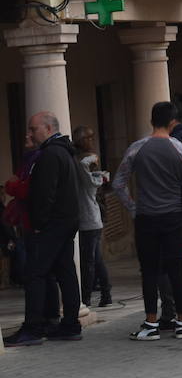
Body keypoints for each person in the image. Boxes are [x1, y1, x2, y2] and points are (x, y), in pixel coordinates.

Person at [112, 101, 182, 341]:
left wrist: (133, 208)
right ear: (173, 122)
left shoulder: (136, 149)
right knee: (175, 271)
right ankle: (181, 322)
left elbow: (118, 183)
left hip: (146, 218)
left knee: (149, 271)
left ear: (152, 121)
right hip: (173, 218)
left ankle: (151, 323)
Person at [2, 113, 83, 346]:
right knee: (65, 271)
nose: (29, 133)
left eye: (33, 129)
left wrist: (38, 224)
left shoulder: (50, 154)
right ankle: (70, 324)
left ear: (47, 128)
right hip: (66, 222)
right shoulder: (63, 151)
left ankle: (33, 328)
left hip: (53, 224)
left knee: (35, 274)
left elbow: (44, 194)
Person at [72, 127, 112, 308]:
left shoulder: (83, 164)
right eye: (88, 138)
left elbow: (92, 180)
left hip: (89, 219)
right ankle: (106, 293)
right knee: (95, 259)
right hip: (89, 218)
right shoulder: (84, 163)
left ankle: (86, 298)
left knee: (88, 261)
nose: (91, 141)